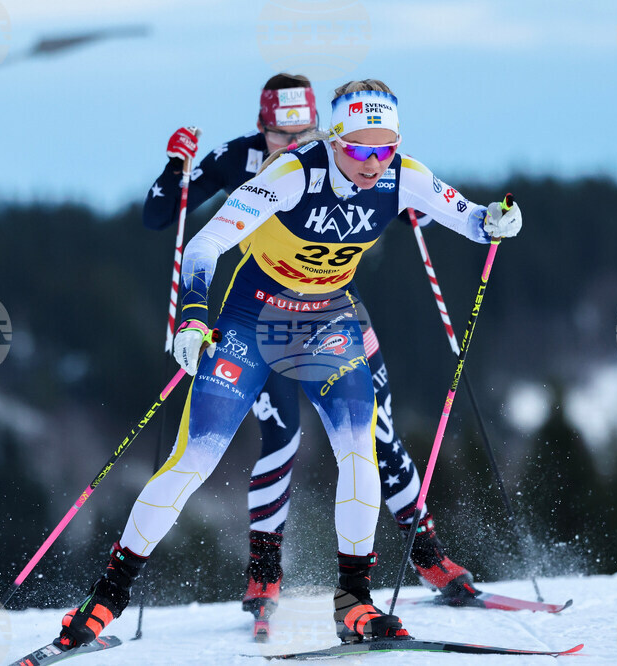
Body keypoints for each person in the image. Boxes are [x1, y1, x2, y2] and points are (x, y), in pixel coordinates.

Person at [57, 78, 522, 649]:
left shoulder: (407, 175)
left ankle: (354, 602)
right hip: (253, 321)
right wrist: (195, 318)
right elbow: (204, 246)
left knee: (360, 450)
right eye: (360, 149)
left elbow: (472, 219)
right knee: (194, 459)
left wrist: (495, 223)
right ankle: (106, 599)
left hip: (329, 324)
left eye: (385, 148)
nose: (374, 163)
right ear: (335, 138)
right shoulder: (292, 173)